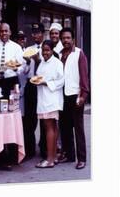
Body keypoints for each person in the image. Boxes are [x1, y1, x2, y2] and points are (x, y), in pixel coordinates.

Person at [0, 23, 24, 168]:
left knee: (11, 118)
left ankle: (13, 156)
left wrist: (16, 68)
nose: (3, 33)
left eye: (6, 31)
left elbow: (22, 67)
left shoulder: (16, 47)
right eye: (1, 31)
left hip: (11, 82)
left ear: (10, 32)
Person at [58, 27, 90, 170]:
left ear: (73, 39)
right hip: (62, 95)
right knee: (64, 127)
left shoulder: (79, 54)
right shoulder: (59, 55)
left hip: (75, 96)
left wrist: (83, 95)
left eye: (68, 38)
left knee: (78, 128)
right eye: (63, 38)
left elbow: (84, 77)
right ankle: (69, 155)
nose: (65, 40)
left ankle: (81, 158)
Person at [34, 40, 64, 168]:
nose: (45, 53)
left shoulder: (57, 63)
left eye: (47, 50)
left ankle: (50, 159)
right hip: (44, 99)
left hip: (51, 100)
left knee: (49, 128)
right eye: (43, 50)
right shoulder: (42, 63)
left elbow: (61, 81)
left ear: (52, 51)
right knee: (52, 128)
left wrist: (46, 83)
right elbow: (38, 76)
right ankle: (54, 156)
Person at [21, 23, 47, 160]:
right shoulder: (28, 49)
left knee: (43, 118)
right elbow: (24, 72)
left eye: (38, 33)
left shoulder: (47, 48)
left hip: (42, 85)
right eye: (34, 33)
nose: (35, 35)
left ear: (43, 33)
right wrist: (26, 62)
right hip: (31, 85)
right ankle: (29, 150)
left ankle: (44, 149)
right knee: (29, 120)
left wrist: (38, 61)